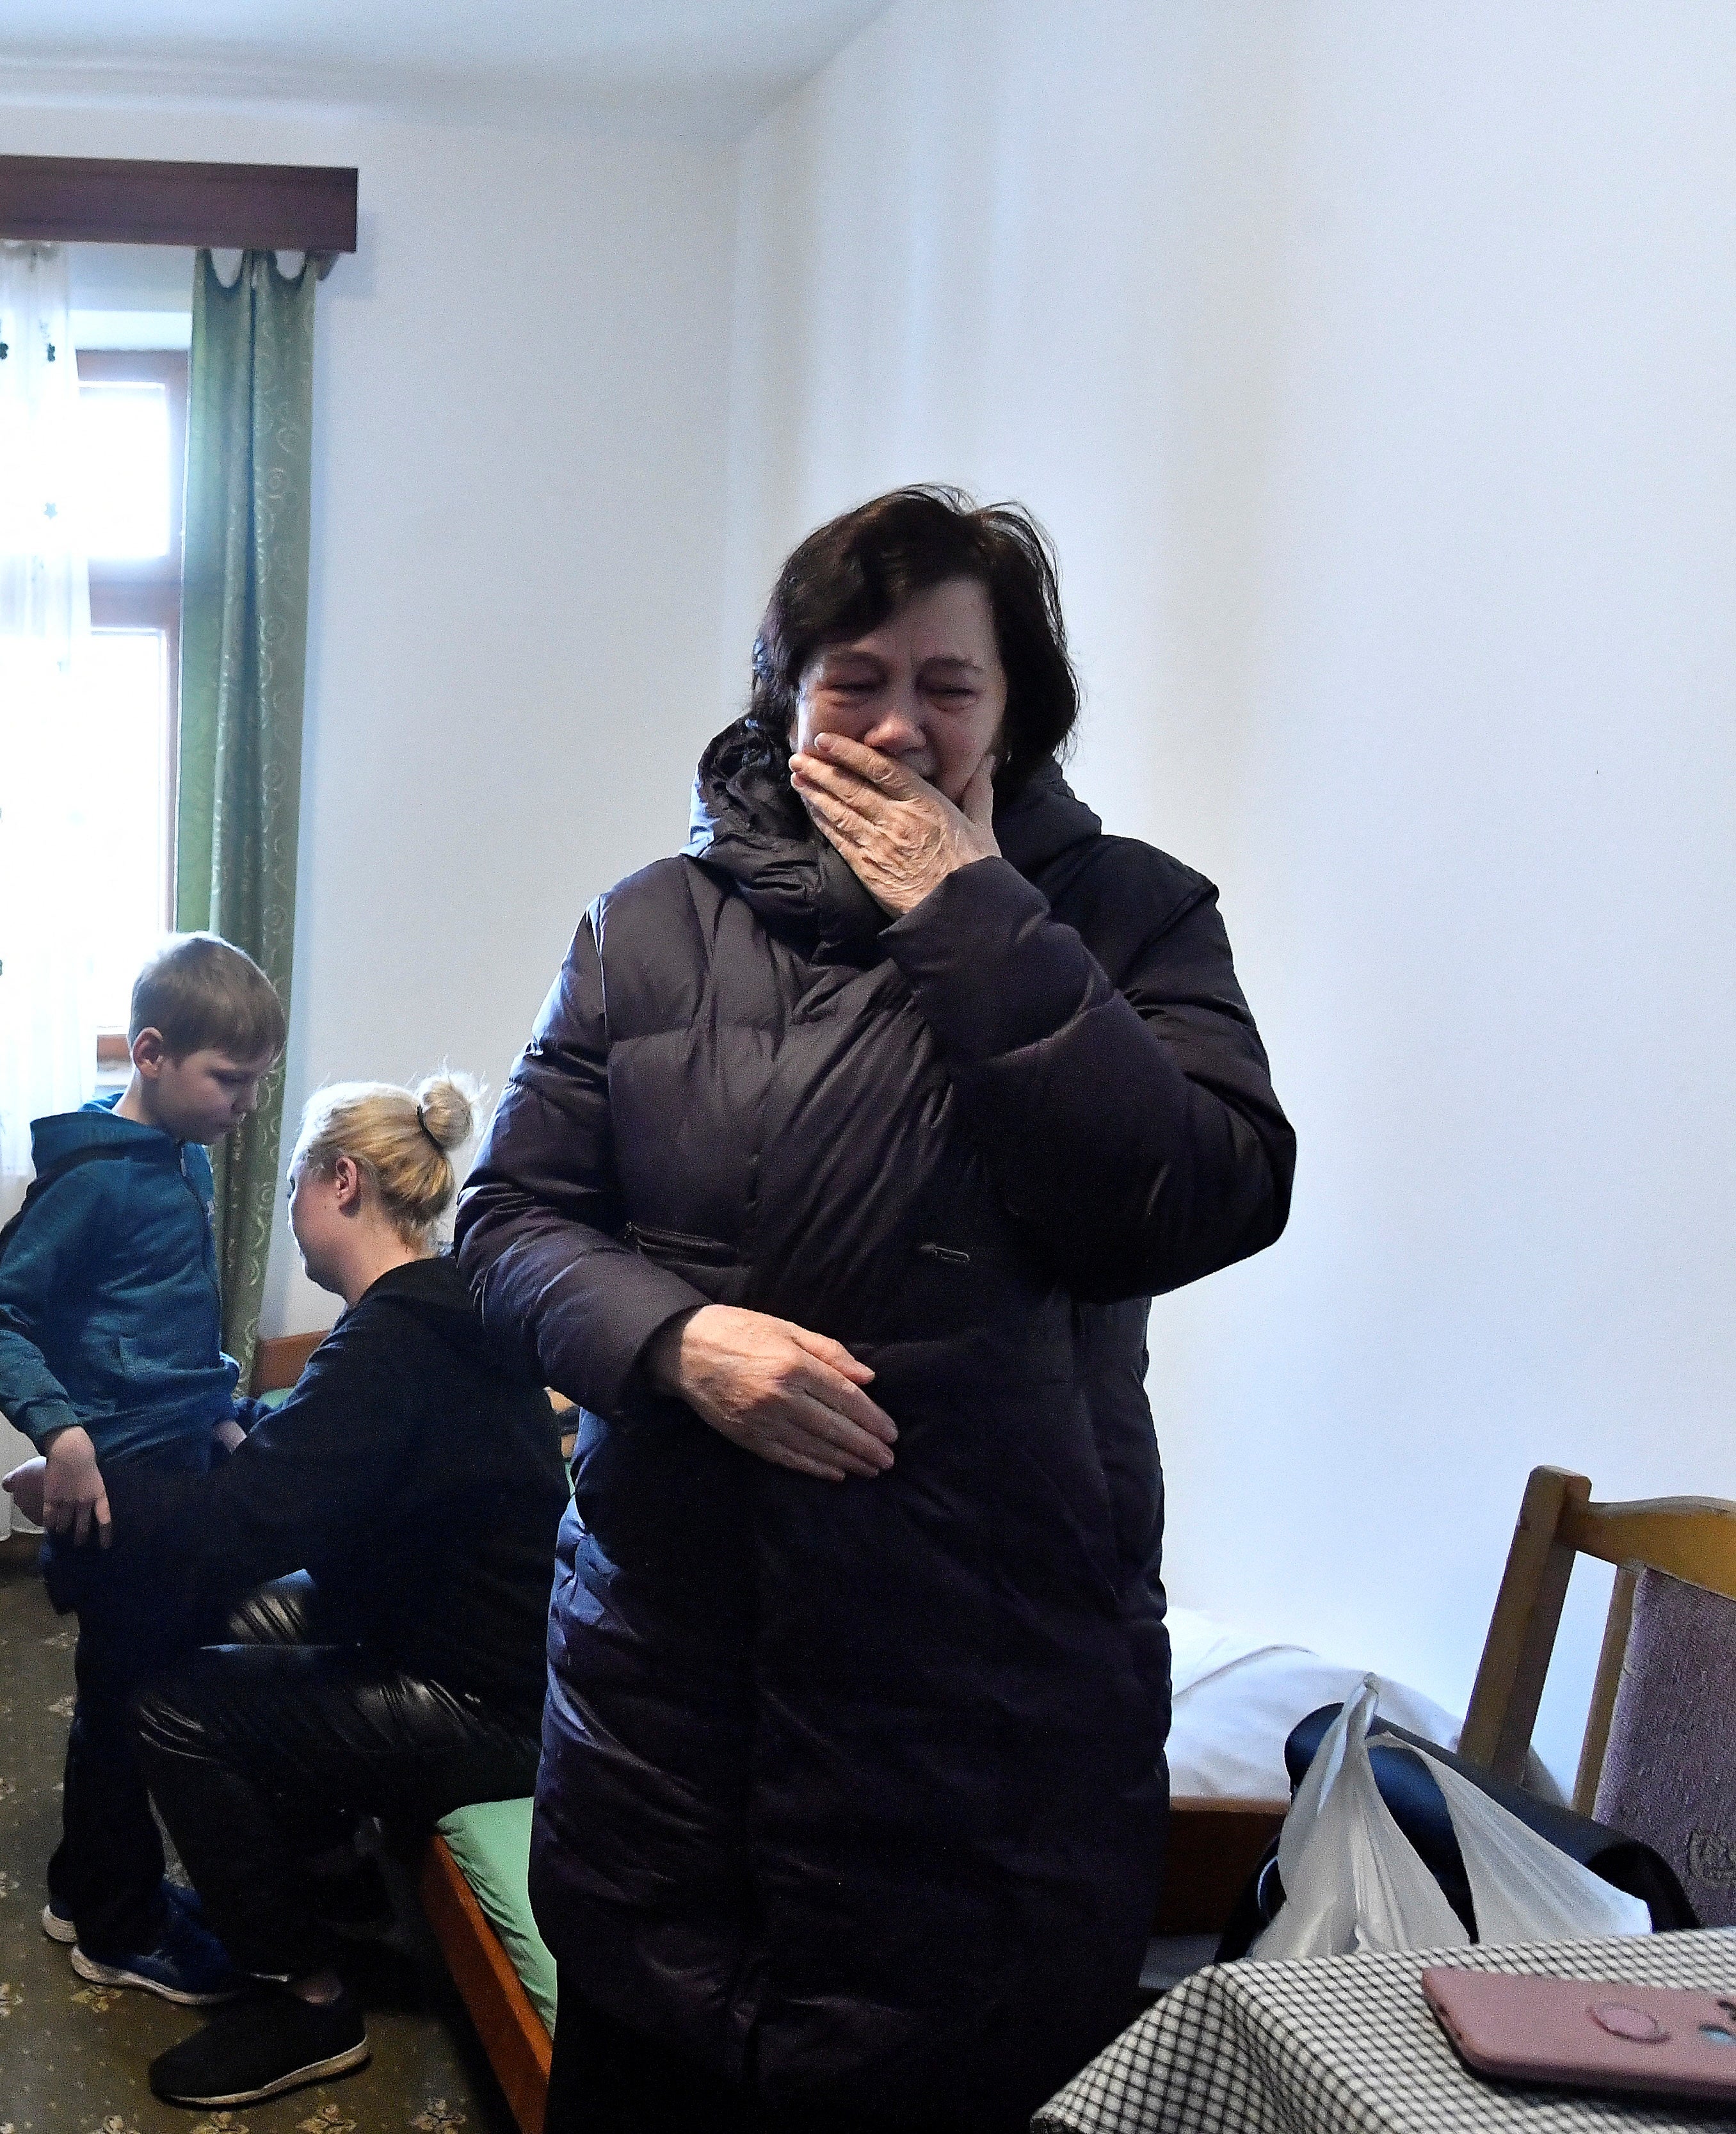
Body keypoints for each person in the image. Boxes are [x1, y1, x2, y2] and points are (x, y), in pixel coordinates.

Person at [458, 488, 1296, 2134]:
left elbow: (1202, 1193)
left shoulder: (1130, 914)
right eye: (853, 679)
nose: (899, 724)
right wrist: (676, 1341)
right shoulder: (644, 923)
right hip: (667, 1710)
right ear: (784, 693)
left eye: (949, 682)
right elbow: (506, 1219)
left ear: (1018, 705)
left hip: (987, 1738)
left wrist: (967, 912)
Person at [3, 1074, 567, 2112]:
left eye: (301, 1176)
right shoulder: (425, 1315)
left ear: (339, 1180)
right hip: (437, 1635)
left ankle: (308, 1995)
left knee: (173, 1707)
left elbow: (238, 1528)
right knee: (201, 1617)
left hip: (488, 1704)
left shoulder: (393, 1344)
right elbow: (318, 1453)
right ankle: (323, 1864)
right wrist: (244, 1424)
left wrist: (79, 1493)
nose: (293, 1198)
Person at [0, 933, 285, 2005]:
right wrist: (61, 1431)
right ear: (151, 1053)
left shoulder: (182, 1154)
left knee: (129, 1691)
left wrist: (225, 1407)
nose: (243, 1105)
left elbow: (167, 1323)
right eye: (229, 1080)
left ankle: (84, 1886)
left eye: (256, 1083)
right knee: (132, 1704)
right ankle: (117, 1921)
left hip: (175, 1453)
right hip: (122, 1488)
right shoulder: (95, 1182)